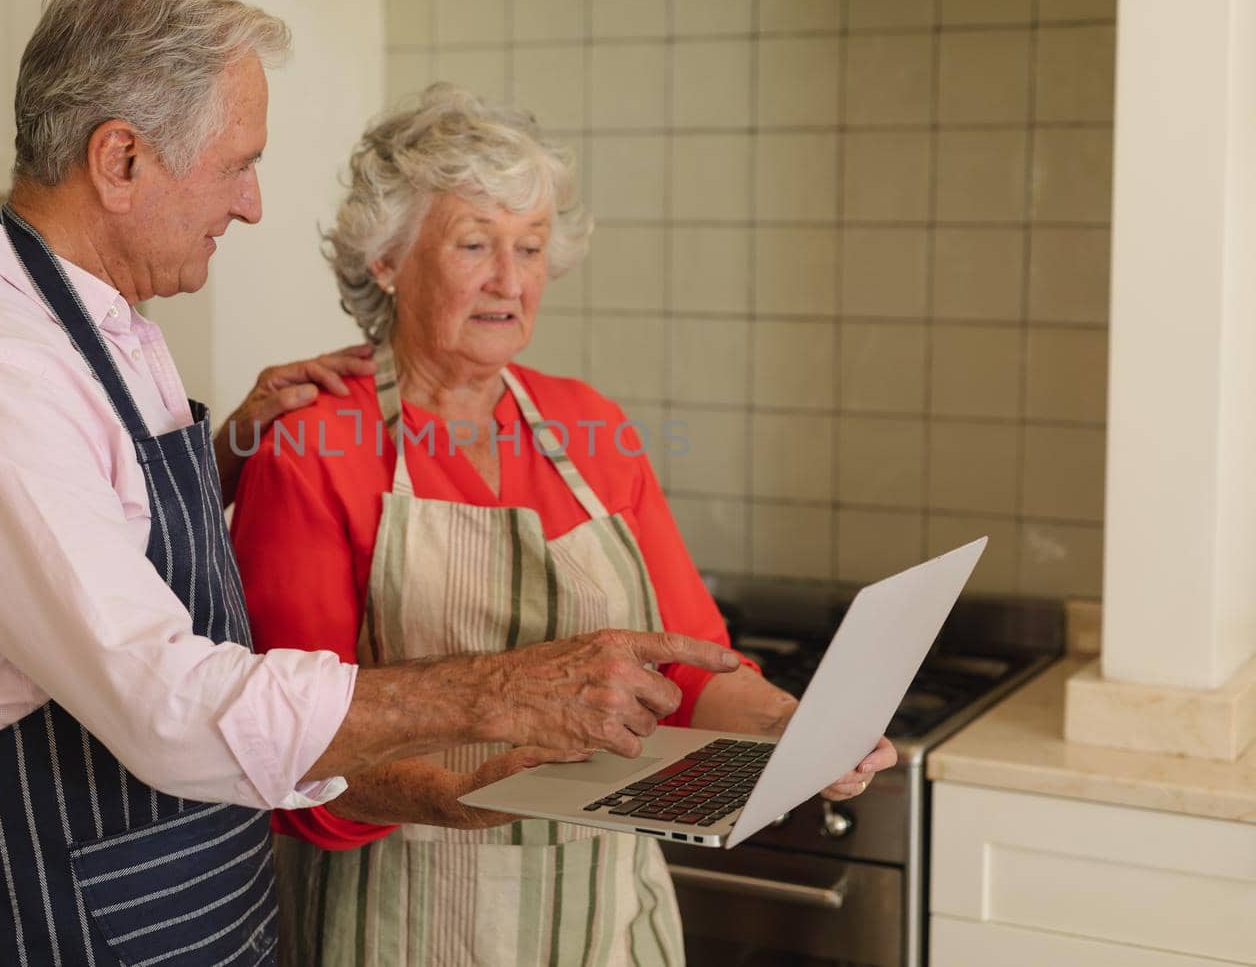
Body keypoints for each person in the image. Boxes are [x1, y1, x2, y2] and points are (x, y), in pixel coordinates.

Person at [0, 0, 736, 967]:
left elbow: (102, 544)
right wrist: (494, 693)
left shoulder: (100, 333)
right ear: (119, 158)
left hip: (173, 898)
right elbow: (166, 702)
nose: (252, 204)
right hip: (54, 908)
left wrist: (217, 461)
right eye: (235, 164)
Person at [229, 84, 899, 965]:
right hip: (411, 919)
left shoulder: (592, 426)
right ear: (388, 260)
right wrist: (466, 791)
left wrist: (791, 726)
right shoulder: (314, 445)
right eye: (476, 244)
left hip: (607, 921)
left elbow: (691, 661)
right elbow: (294, 758)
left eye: (532, 247)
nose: (511, 280)